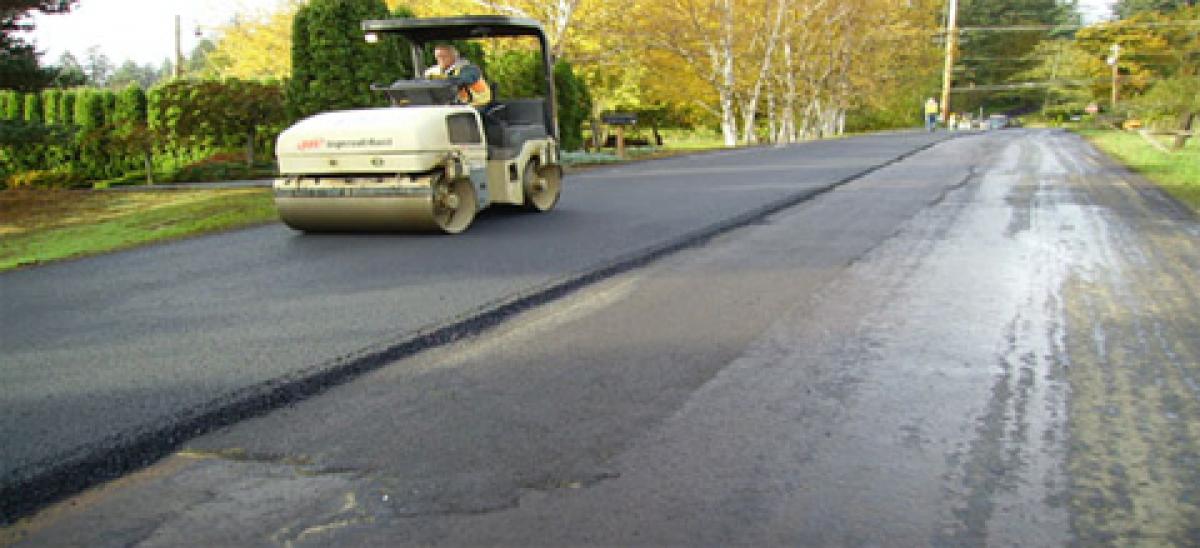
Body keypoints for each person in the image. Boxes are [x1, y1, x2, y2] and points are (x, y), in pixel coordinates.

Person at [424, 44, 492, 107]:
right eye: (438, 57)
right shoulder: (433, 71)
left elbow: (461, 80)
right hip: (455, 105)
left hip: (478, 104)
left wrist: (436, 78)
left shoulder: (469, 68)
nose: (440, 59)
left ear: (454, 57)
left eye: (443, 56)